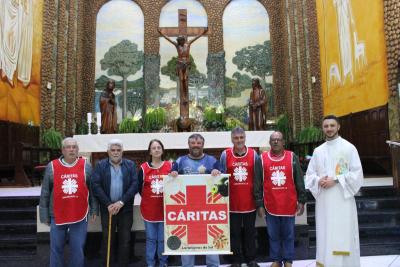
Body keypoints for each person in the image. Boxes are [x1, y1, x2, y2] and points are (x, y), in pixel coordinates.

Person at [305, 115, 363, 267]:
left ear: (338, 127)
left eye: (332, 125)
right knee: (326, 233)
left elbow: (357, 174)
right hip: (325, 202)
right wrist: (319, 180)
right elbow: (310, 175)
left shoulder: (349, 148)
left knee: (344, 233)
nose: (329, 129)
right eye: (326, 126)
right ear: (323, 128)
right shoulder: (318, 151)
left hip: (343, 200)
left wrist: (335, 180)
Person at [39, 137, 98, 267]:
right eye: (68, 147)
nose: (71, 149)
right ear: (62, 150)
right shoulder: (52, 166)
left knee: (77, 249)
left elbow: (92, 190)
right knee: (56, 248)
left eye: (74, 147)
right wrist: (43, 215)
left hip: (79, 214)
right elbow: (45, 193)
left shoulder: (86, 166)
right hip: (57, 214)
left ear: (77, 150)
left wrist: (94, 209)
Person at [254, 131, 307, 267]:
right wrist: (259, 204)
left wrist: (301, 200)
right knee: (273, 234)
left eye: (278, 139)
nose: (276, 142)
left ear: (283, 142)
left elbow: (299, 180)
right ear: (270, 143)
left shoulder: (292, 157)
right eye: (273, 140)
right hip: (270, 204)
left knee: (288, 234)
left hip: (288, 203)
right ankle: (276, 259)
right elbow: (257, 182)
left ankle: (288, 260)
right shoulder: (262, 158)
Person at [169, 133, 221, 267]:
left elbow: (222, 183)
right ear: (189, 145)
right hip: (187, 212)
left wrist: (217, 172)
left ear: (203, 145)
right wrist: (173, 174)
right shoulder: (179, 161)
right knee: (186, 242)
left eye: (199, 143)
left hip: (208, 211)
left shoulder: (213, 161)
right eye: (193, 143)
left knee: (211, 240)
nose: (196, 145)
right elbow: (171, 181)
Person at [92, 139, 138, 267]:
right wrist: (108, 204)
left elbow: (135, 185)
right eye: (113, 150)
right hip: (108, 209)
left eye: (118, 150)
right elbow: (95, 185)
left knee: (125, 240)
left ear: (122, 151)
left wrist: (121, 202)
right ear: (108, 152)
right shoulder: (101, 165)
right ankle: (108, 264)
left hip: (125, 208)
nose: (116, 153)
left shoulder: (130, 165)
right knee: (108, 239)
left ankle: (123, 264)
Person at [219, 127, 260, 267]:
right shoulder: (225, 154)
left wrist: (259, 200)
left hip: (249, 201)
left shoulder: (254, 154)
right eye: (236, 138)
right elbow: (221, 178)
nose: (239, 140)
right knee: (234, 233)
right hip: (232, 203)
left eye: (241, 137)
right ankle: (236, 260)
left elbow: (258, 178)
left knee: (250, 232)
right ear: (232, 139)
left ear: (245, 138)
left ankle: (251, 259)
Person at [157, 28, 207, 121]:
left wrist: (203, 32)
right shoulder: (177, 46)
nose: (179, 42)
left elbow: (196, 38)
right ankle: (183, 97)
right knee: (182, 80)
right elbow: (169, 40)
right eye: (178, 41)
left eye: (181, 40)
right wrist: (161, 33)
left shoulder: (188, 44)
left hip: (186, 64)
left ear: (183, 40)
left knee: (185, 79)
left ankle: (185, 96)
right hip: (180, 64)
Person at [138, 139, 172, 267]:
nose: (156, 150)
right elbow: (139, 188)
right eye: (154, 148)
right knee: (151, 239)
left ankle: (163, 263)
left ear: (162, 150)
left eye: (159, 147)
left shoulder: (169, 166)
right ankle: (150, 263)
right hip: (149, 210)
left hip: (165, 209)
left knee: (163, 239)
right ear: (150, 151)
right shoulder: (143, 168)